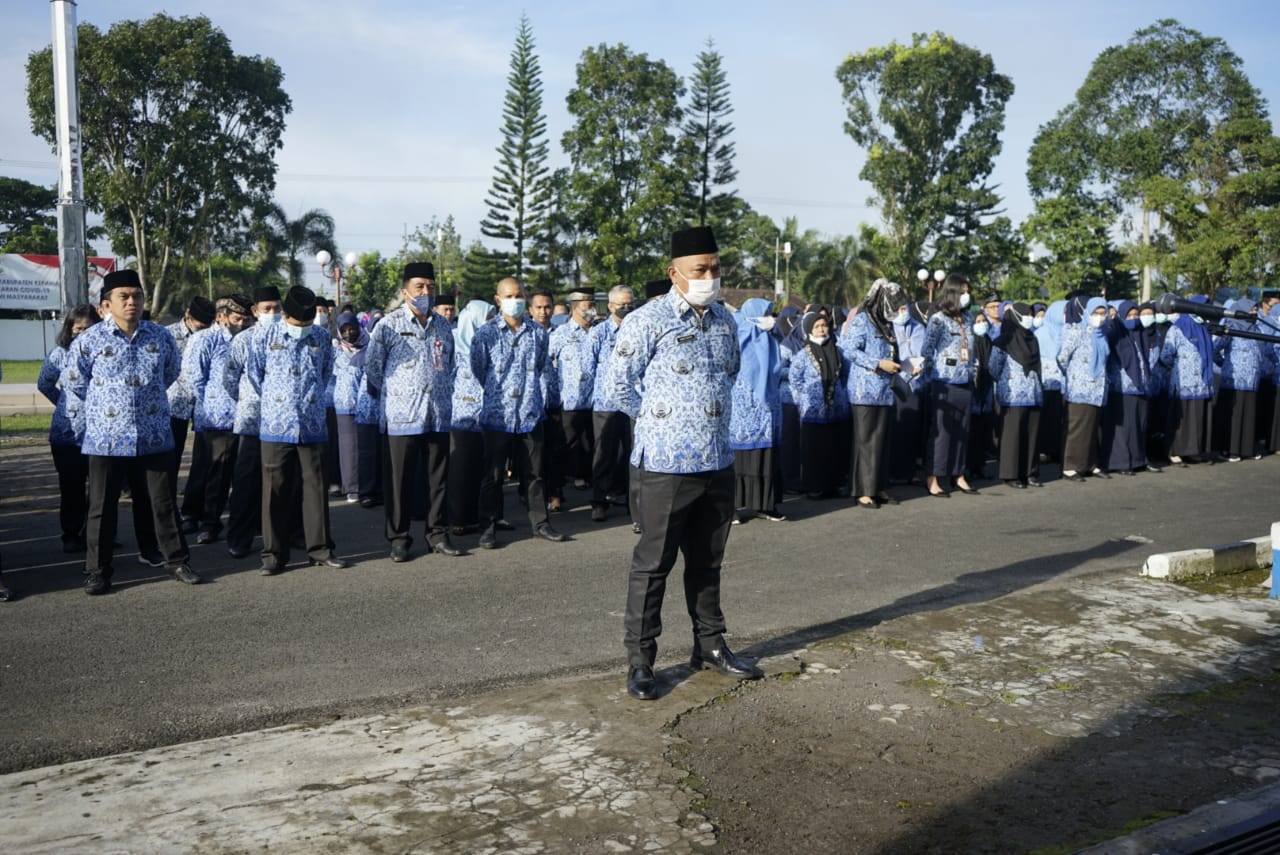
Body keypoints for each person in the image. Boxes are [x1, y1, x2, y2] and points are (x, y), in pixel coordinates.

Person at [610, 225, 762, 701]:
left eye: (715, 268)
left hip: (716, 461)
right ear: (674, 273)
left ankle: (711, 646)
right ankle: (641, 662)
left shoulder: (724, 321)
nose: (710, 277)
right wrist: (662, 423)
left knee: (708, 561)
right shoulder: (647, 320)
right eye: (700, 270)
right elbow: (618, 386)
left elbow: (731, 373)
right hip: (664, 465)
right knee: (654, 564)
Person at [63, 270, 203, 594]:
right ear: (106, 304)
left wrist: (145, 403)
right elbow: (75, 382)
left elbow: (170, 372)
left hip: (153, 434)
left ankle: (177, 560)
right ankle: (97, 570)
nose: (131, 302)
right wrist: (107, 406)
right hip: (106, 437)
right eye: (123, 296)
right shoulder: (90, 340)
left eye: (136, 296)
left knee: (162, 501)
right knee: (102, 506)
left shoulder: (159, 337)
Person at [246, 285, 349, 574]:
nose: (303, 328)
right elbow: (256, 376)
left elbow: (326, 372)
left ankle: (320, 549)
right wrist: (279, 402)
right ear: (285, 315)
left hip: (313, 423)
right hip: (276, 425)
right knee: (274, 491)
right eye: (298, 322)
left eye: (307, 323)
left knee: (315, 488)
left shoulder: (319, 337)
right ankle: (273, 555)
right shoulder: (264, 336)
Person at [364, 262, 462, 562]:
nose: (425, 292)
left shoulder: (443, 325)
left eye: (430, 287)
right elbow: (373, 370)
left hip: (437, 414)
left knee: (438, 480)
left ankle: (437, 534)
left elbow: (451, 364)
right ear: (405, 291)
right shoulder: (388, 326)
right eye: (419, 286)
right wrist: (400, 394)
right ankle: (399, 537)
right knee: (399, 482)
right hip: (401, 416)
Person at [472, 277, 566, 547]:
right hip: (496, 415)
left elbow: (540, 367)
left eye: (519, 295)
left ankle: (540, 523)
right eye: (509, 296)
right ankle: (488, 526)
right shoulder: (485, 334)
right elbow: (479, 370)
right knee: (492, 475)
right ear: (498, 300)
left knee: (535, 473)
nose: (515, 301)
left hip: (529, 413)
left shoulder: (537, 333)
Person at [181, 294, 253, 544]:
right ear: (222, 316)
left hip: (246, 417)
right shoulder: (205, 340)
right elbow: (194, 378)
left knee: (243, 474)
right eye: (237, 318)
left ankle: (243, 521)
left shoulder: (249, 339)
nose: (242, 323)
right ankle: (209, 523)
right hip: (216, 418)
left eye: (246, 318)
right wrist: (213, 404)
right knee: (216, 473)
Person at [840, 279, 909, 508]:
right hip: (864, 391)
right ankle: (862, 491)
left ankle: (879, 486)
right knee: (865, 441)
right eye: (894, 304)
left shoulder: (885, 325)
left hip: (885, 391)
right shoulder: (862, 321)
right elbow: (849, 349)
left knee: (882, 441)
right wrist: (877, 363)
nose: (897, 310)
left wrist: (904, 365)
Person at [38, 305, 100, 552]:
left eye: (89, 328)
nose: (83, 333)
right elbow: (44, 383)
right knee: (72, 487)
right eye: (78, 328)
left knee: (100, 490)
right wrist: (64, 403)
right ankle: (71, 534)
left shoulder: (106, 352)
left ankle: (97, 535)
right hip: (68, 434)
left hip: (100, 432)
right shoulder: (59, 354)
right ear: (70, 329)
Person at [222, 286, 276, 558]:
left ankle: (284, 534)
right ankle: (239, 538)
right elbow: (229, 381)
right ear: (255, 311)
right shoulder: (243, 340)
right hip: (252, 420)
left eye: (277, 309)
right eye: (267, 309)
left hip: (281, 423)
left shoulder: (289, 337)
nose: (273, 314)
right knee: (245, 482)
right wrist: (248, 400)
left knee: (280, 482)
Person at [920, 274, 978, 497]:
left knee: (962, 431)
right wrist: (928, 375)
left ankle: (958, 474)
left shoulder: (970, 318)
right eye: (962, 292)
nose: (966, 296)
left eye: (968, 291)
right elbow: (927, 350)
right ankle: (933, 477)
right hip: (944, 381)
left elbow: (972, 349)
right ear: (952, 293)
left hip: (965, 380)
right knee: (942, 433)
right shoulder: (938, 319)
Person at [730, 298, 785, 522]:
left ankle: (765, 504)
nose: (769, 318)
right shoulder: (740, 333)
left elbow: (775, 369)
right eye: (765, 313)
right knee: (740, 456)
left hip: (769, 408)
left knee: (767, 456)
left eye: (771, 314)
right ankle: (732, 507)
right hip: (742, 410)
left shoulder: (769, 338)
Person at [588, 285, 637, 522]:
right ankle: (599, 502)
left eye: (631, 304)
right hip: (605, 404)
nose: (627, 308)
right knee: (604, 455)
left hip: (633, 404)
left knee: (634, 455)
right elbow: (588, 368)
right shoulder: (598, 333)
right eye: (622, 305)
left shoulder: (640, 330)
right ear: (610, 306)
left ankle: (634, 505)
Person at [790, 312, 850, 499]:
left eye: (824, 325)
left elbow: (845, 375)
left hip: (836, 409)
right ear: (809, 329)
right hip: (813, 411)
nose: (822, 329)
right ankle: (815, 486)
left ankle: (834, 484)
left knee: (835, 447)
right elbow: (795, 379)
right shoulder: (803, 355)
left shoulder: (837, 351)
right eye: (817, 326)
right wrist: (804, 399)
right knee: (814, 449)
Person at [170, 295, 216, 533]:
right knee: (171, 461)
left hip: (203, 406)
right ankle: (167, 514)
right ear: (188, 316)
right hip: (174, 405)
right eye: (200, 325)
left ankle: (193, 511)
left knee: (202, 462)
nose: (203, 330)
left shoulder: (211, 336)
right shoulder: (167, 335)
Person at [548, 291, 598, 504]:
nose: (592, 309)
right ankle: (555, 492)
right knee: (563, 448)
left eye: (593, 304)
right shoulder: (561, 333)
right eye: (588, 305)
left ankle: (597, 492)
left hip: (596, 401)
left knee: (595, 448)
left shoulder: (598, 331)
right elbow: (547, 362)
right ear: (575, 308)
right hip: (569, 401)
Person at [448, 299, 493, 534]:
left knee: (483, 472)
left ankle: (483, 517)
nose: (490, 323)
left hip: (486, 418)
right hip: (461, 419)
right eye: (486, 318)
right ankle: (459, 520)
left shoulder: (489, 345)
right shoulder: (455, 347)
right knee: (461, 472)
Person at [1213, 298, 1273, 461]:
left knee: (1249, 415)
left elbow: (1264, 350)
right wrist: (1224, 365)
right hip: (1233, 380)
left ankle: (1247, 449)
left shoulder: (1257, 329)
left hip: (1252, 380)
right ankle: (1230, 449)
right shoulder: (1230, 326)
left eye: (1255, 310)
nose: (1255, 312)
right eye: (1252, 310)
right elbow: (1215, 349)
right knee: (1234, 416)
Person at [1058, 297, 1111, 481]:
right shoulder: (1077, 331)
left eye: (1103, 313)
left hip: (1098, 389)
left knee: (1092, 428)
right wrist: (1076, 376)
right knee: (1078, 428)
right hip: (1080, 388)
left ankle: (1090, 464)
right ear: (1087, 312)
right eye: (1096, 313)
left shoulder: (1103, 334)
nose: (1100, 317)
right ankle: (1071, 466)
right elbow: (1062, 358)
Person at [990, 303, 1043, 488]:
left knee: (1032, 434)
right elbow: (993, 368)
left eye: (1030, 313)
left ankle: (1030, 473)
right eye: (1026, 314)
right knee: (1012, 436)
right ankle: (1011, 475)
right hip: (1012, 395)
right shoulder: (1002, 341)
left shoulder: (1032, 339)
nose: (1030, 317)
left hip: (1034, 393)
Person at [1159, 299, 1216, 466]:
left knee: (1197, 417)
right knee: (1182, 418)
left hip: (1202, 383)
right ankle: (1175, 451)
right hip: (1184, 382)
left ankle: (1193, 451)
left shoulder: (1203, 327)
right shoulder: (1178, 328)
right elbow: (1166, 355)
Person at [1101, 300, 1153, 475]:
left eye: (1135, 315)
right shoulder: (1115, 333)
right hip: (1121, 387)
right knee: (1123, 428)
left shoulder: (1141, 334)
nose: (1133, 319)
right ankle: (1121, 462)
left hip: (1141, 386)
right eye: (1129, 315)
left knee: (1139, 425)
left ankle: (1138, 459)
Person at [331, 311, 375, 503]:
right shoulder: (336, 349)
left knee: (366, 449)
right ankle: (351, 487)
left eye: (352, 329)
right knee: (348, 448)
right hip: (343, 404)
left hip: (366, 405)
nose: (349, 333)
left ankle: (367, 487)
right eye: (344, 330)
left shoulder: (369, 345)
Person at [889, 299, 929, 485]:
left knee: (912, 429)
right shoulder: (888, 327)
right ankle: (894, 472)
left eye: (904, 308)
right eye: (898, 309)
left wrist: (921, 365)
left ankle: (909, 471)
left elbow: (926, 351)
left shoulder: (919, 327)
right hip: (895, 383)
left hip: (917, 383)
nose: (902, 312)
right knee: (896, 429)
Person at [1034, 301, 1067, 463]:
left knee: (1060, 418)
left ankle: (1058, 449)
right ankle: (1044, 449)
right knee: (1047, 418)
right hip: (1046, 382)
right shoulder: (1041, 334)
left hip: (1064, 383)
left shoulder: (1068, 332)